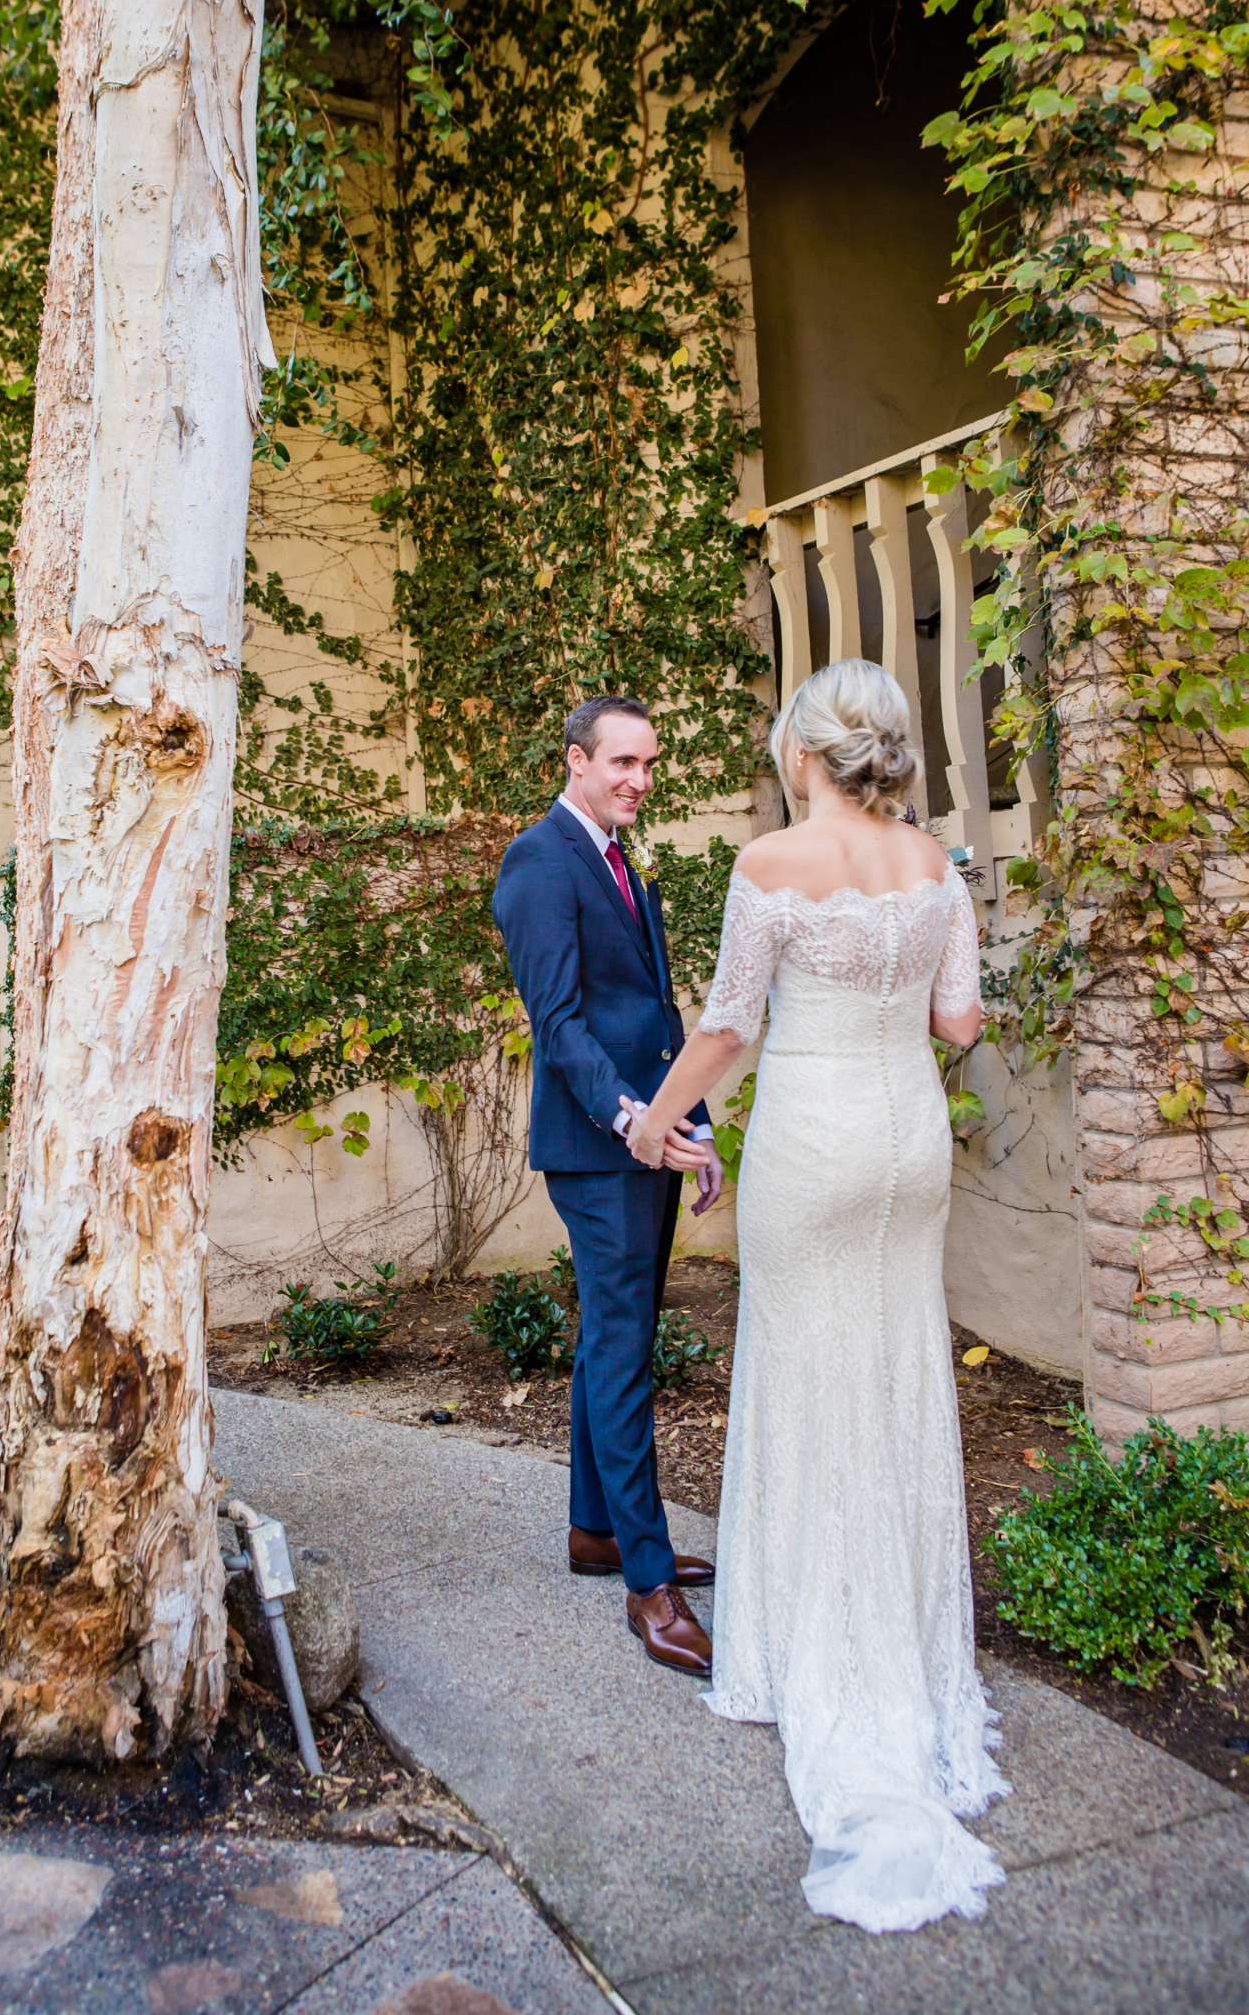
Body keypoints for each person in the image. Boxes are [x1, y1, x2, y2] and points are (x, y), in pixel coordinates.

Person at [624, 657, 1007, 1933]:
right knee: (898, 1376)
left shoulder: (769, 865)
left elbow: (730, 1027)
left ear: (806, 750)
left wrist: (659, 1123)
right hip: (908, 1143)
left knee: (801, 1375)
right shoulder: (939, 865)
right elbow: (960, 1025)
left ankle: (810, 1660)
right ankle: (907, 1657)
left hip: (813, 1140)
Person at [492, 696, 722, 1677]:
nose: (637, 779)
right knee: (626, 1352)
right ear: (576, 760)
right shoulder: (539, 862)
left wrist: (691, 1118)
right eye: (621, 762)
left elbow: (654, 1016)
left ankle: (595, 1531)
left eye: (648, 764)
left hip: (652, 1134)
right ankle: (646, 1580)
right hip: (600, 1147)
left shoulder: (625, 864)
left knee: (607, 1339)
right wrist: (634, 1121)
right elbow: (560, 1023)